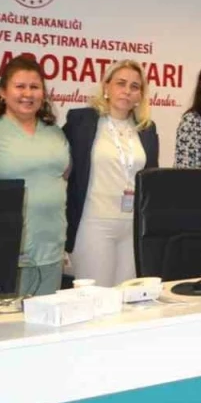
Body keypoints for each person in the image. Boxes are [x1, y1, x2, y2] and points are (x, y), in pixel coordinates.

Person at [0, 55, 71, 296]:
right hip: (4, 253)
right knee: (5, 318)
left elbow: (62, 177)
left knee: (46, 317)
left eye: (34, 87)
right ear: (2, 92)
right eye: (20, 86)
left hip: (52, 251)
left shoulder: (55, 133)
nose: (28, 93)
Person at [64, 60, 160, 286]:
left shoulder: (146, 128)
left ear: (140, 95)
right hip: (93, 224)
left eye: (135, 86)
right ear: (106, 86)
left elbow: (151, 179)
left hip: (133, 227)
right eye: (121, 83)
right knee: (96, 297)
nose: (127, 91)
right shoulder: (81, 121)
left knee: (127, 297)